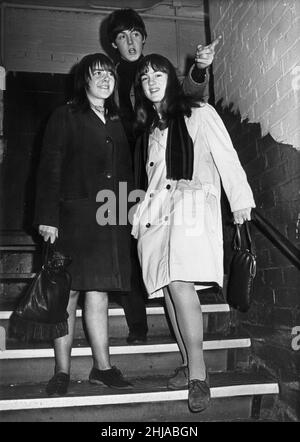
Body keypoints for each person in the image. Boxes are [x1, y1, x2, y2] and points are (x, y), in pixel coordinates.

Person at [132, 54, 255, 412]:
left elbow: (226, 156)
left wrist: (240, 200)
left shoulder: (199, 113)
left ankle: (199, 375)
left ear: (172, 78)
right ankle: (187, 363)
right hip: (156, 216)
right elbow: (149, 180)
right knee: (169, 289)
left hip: (190, 205)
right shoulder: (149, 130)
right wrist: (138, 215)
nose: (152, 81)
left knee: (181, 284)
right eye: (144, 78)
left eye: (158, 74)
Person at [106, 8, 221, 344]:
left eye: (135, 34)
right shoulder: (110, 77)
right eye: (122, 36)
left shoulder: (156, 71)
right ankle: (137, 324)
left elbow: (187, 97)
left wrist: (200, 69)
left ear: (143, 37)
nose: (130, 41)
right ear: (114, 43)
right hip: (127, 175)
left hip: (161, 174)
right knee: (128, 242)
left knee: (165, 251)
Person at [34, 53, 134, 395]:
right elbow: (50, 168)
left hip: (108, 219)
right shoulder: (65, 115)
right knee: (67, 293)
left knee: (99, 292)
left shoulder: (118, 121)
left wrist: (127, 213)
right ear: (84, 81)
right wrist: (47, 217)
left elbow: (124, 174)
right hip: (71, 219)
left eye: (110, 74)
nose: (105, 79)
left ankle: (102, 368)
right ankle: (62, 371)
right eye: (97, 74)